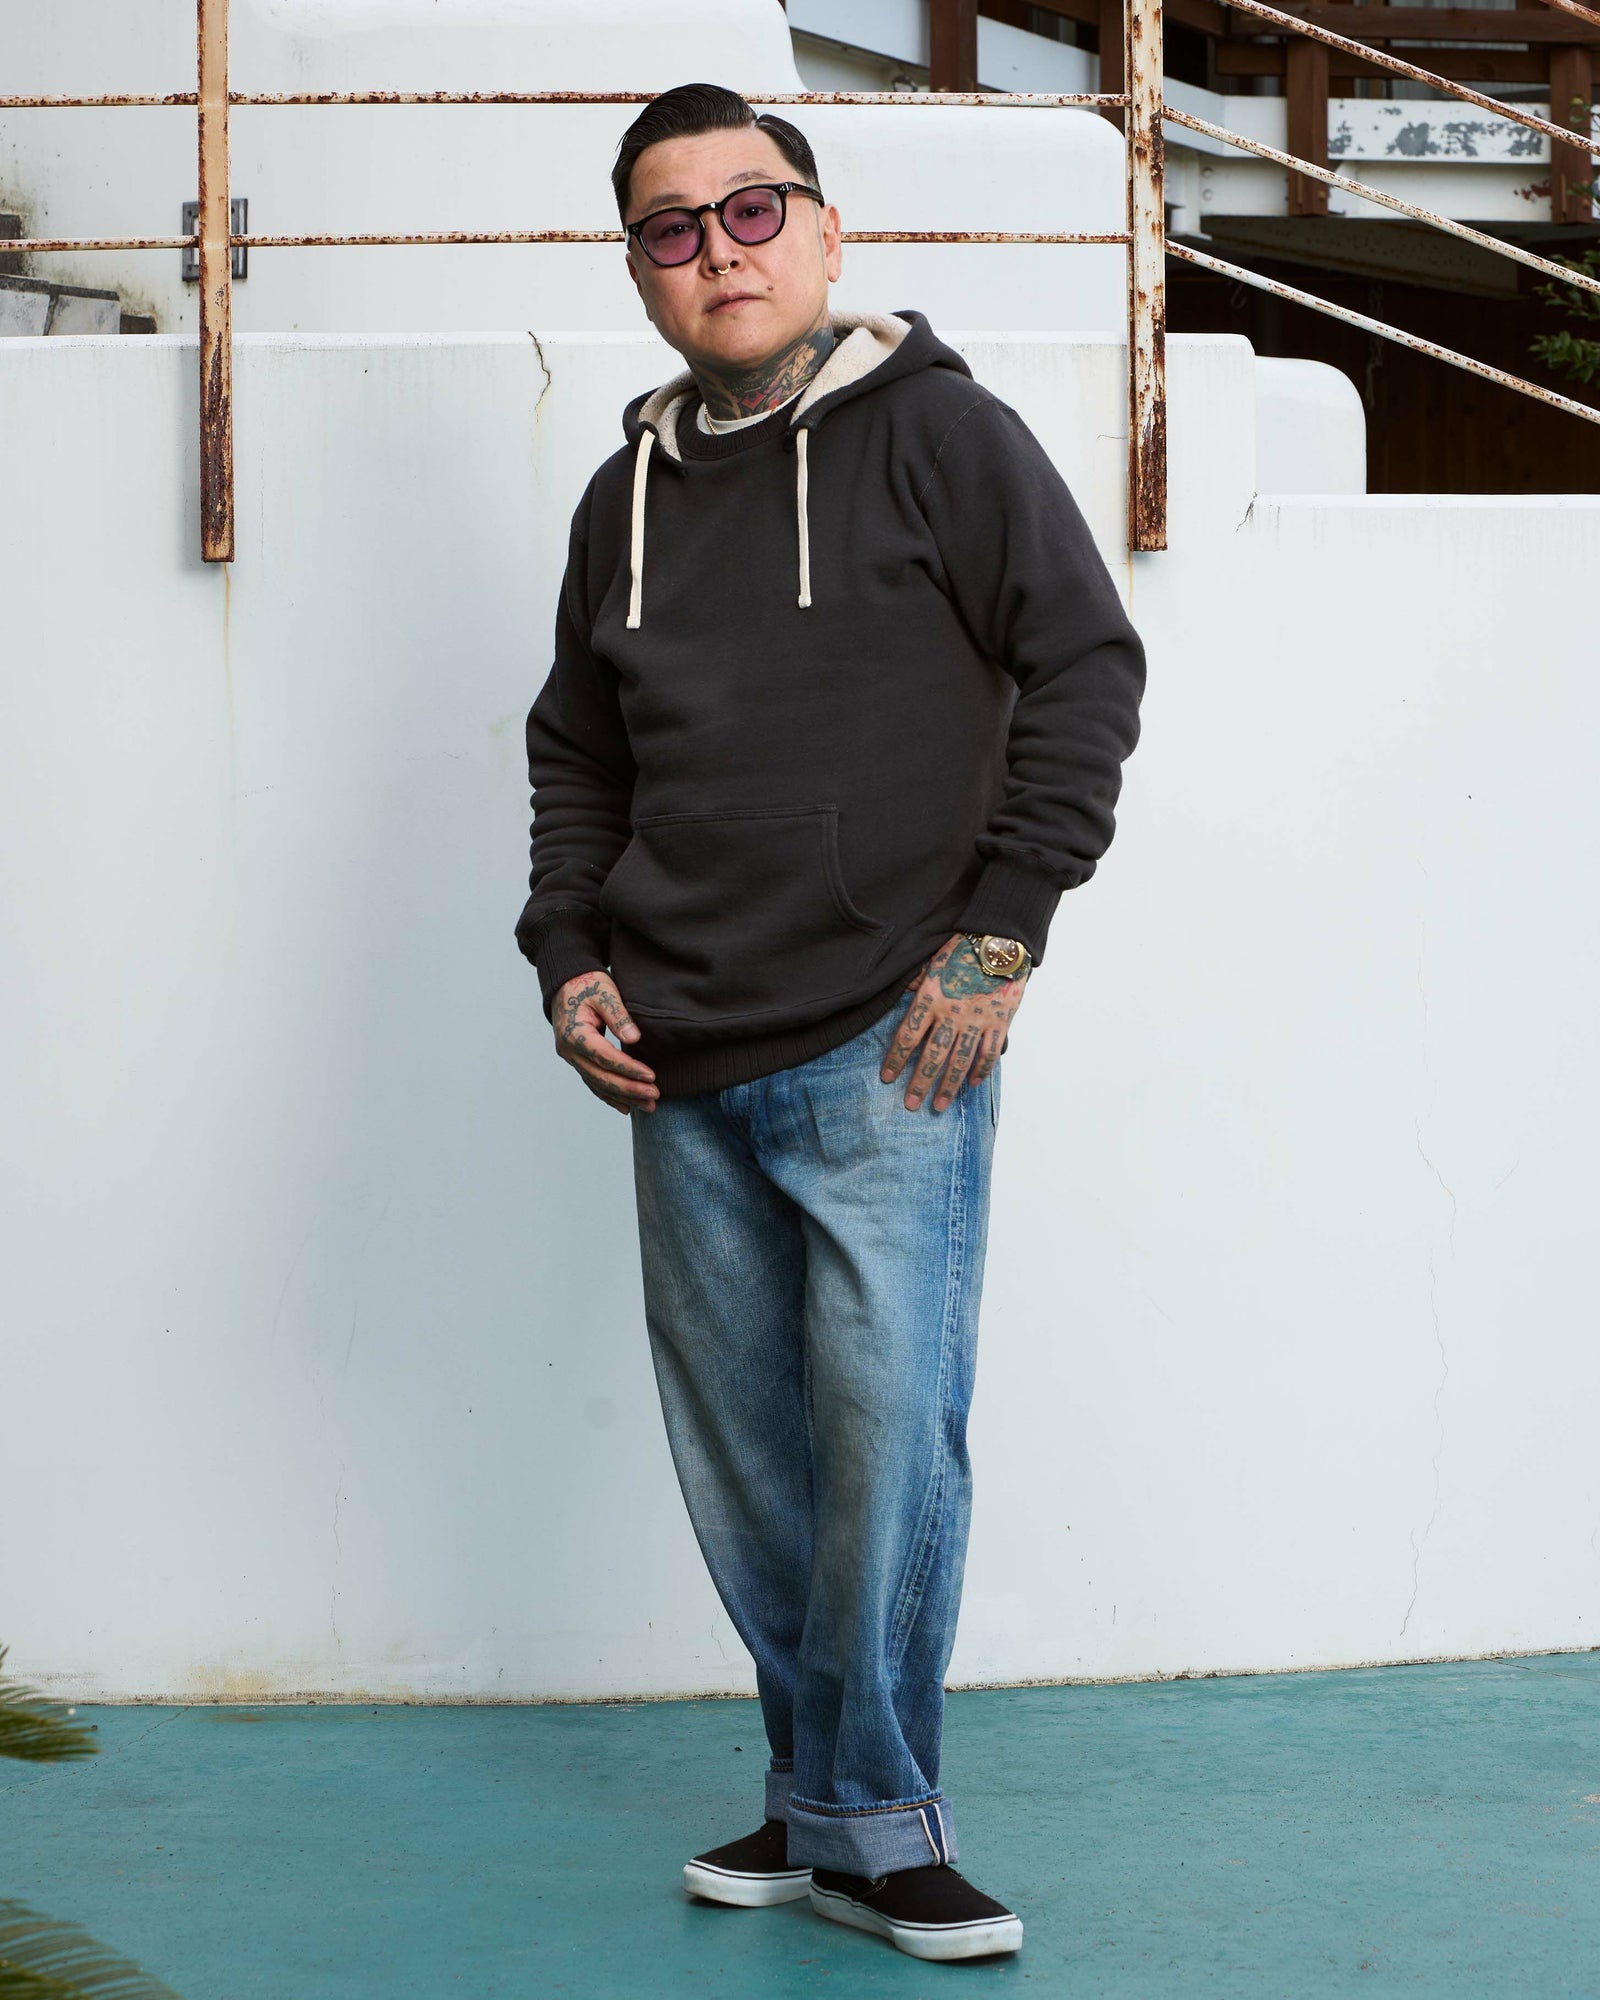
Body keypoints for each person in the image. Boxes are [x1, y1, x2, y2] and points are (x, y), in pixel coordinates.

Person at [515, 80, 1146, 1965]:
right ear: (639, 270)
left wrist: (1001, 935)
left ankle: (881, 1821)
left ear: (824, 227)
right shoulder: (622, 498)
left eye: (752, 208)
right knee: (752, 1468)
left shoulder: (945, 435)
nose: (718, 250)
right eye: (671, 228)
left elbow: (1083, 665)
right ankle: (819, 1802)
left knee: (888, 1446)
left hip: (890, 1042)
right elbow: (576, 757)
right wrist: (567, 957)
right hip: (673, 1056)